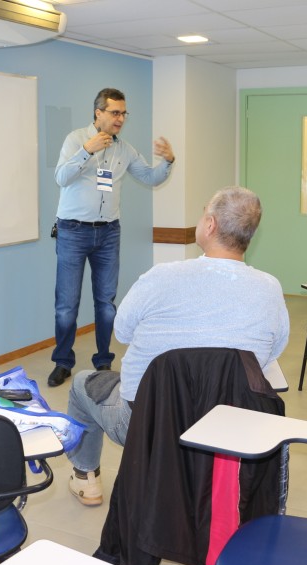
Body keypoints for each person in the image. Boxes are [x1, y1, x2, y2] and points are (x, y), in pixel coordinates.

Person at [65, 186, 290, 505]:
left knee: (80, 383)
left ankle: (86, 477)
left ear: (210, 225)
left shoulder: (162, 276)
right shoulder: (269, 288)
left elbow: (122, 332)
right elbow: (271, 352)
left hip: (149, 425)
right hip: (226, 426)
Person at [48, 88, 175, 388]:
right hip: (73, 231)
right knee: (67, 304)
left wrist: (169, 161)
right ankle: (63, 362)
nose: (120, 119)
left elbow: (150, 177)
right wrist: (87, 150)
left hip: (108, 233)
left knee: (106, 302)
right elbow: (61, 178)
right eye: (115, 112)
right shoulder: (75, 139)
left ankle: (103, 360)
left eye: (123, 113)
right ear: (98, 113)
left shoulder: (125, 149)